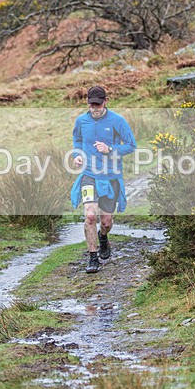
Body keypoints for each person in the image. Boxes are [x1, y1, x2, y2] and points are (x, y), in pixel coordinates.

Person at [70, 86, 137, 273]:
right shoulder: (81, 121)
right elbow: (77, 140)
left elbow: (131, 145)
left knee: (106, 222)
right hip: (89, 175)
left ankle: (103, 236)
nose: (95, 108)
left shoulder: (117, 121)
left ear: (105, 101)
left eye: (98, 105)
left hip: (110, 177)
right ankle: (93, 258)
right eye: (91, 105)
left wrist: (110, 149)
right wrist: (77, 155)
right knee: (90, 216)